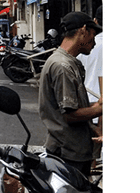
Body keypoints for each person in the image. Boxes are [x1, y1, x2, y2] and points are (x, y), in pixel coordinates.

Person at [38, 11, 103, 177]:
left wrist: (91, 126)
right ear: (82, 31)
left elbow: (72, 106)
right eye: (93, 35)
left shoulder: (68, 62)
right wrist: (100, 109)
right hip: (67, 154)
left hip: (73, 152)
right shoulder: (62, 67)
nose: (94, 42)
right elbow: (70, 115)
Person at [77, 6, 103, 161]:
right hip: (99, 106)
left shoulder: (86, 44)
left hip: (85, 107)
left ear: (95, 21)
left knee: (89, 160)